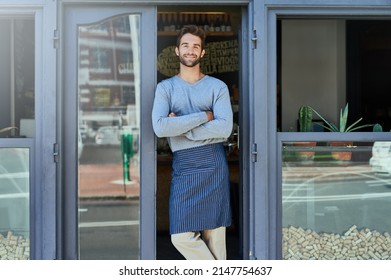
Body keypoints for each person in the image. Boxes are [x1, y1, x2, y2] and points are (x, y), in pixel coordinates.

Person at [152, 25, 233, 260]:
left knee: (215, 240)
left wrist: (182, 129)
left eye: (195, 46)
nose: (190, 50)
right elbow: (160, 127)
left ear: (202, 53)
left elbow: (225, 128)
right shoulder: (165, 88)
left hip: (213, 164)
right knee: (181, 236)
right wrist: (204, 116)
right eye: (185, 45)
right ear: (176, 51)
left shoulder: (218, 87)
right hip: (185, 167)